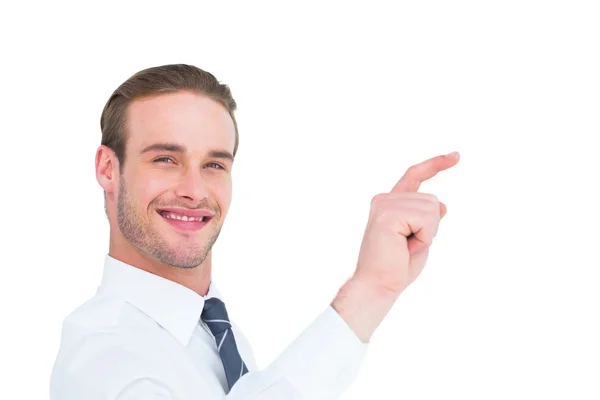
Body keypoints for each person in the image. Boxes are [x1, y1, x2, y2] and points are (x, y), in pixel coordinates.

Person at [49, 64, 460, 400]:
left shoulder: (213, 329)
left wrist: (380, 288)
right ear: (108, 168)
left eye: (214, 165)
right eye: (165, 159)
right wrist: (369, 291)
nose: (194, 191)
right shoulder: (103, 363)